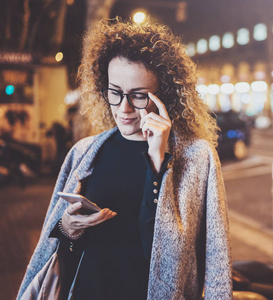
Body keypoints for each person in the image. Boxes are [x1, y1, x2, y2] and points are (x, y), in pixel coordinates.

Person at [17, 19, 232, 300]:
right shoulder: (84, 152)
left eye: (139, 96)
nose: (124, 108)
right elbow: (58, 251)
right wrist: (67, 230)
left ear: (164, 94)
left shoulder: (197, 157)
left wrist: (157, 161)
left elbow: (216, 261)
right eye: (115, 92)